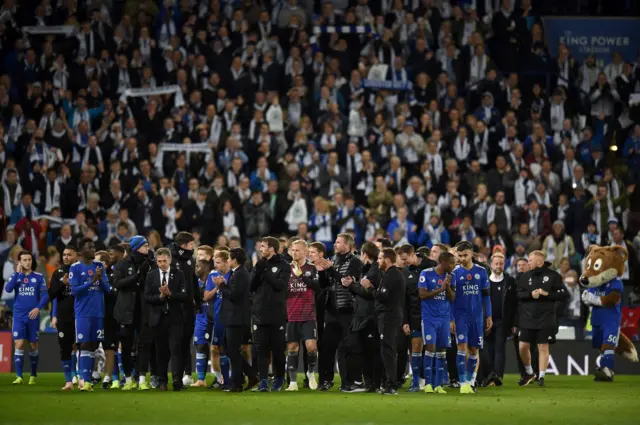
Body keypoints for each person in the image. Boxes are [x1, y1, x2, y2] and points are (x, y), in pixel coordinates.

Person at [316, 233, 363, 391]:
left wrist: (331, 270)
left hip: (347, 309)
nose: (334, 244)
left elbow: (346, 282)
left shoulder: (355, 262)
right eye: (335, 241)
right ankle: (325, 380)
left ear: (348, 246)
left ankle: (349, 381)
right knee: (327, 346)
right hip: (331, 310)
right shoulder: (333, 260)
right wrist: (322, 272)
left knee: (348, 347)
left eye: (338, 242)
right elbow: (324, 285)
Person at [517, 250, 567, 387]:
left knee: (543, 346)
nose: (528, 263)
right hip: (527, 316)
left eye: (530, 260)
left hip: (546, 316)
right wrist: (530, 294)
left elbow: (563, 294)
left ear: (539, 262)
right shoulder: (524, 276)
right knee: (522, 346)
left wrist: (546, 294)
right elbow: (518, 294)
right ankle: (529, 372)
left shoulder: (554, 276)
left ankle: (542, 377)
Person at [69, 238, 111, 391]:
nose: (93, 249)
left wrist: (100, 280)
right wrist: (91, 281)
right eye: (90, 247)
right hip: (83, 313)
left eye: (94, 246)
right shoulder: (75, 268)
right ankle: (84, 380)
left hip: (98, 312)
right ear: (81, 251)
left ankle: (87, 382)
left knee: (93, 345)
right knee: (84, 344)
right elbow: (73, 291)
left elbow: (107, 289)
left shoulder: (99, 266)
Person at [362, 247, 406, 395]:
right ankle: (389, 383)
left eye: (380, 258)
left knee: (388, 350)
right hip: (389, 316)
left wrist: (369, 288)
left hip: (388, 316)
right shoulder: (391, 274)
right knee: (387, 349)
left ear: (387, 260)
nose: (378, 261)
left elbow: (382, 296)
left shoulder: (392, 275)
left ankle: (391, 384)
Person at [112, 235, 154, 391]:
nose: (147, 248)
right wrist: (136, 276)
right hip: (126, 310)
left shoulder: (150, 264)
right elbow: (117, 284)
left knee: (144, 345)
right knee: (127, 345)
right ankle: (129, 378)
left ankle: (142, 379)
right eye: (145, 246)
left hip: (144, 310)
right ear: (136, 247)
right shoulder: (123, 264)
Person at [452, 241, 493, 394]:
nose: (462, 258)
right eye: (459, 255)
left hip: (477, 317)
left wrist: (489, 315)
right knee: (462, 347)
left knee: (474, 349)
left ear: (471, 254)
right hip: (460, 316)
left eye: (465, 255)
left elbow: (486, 296)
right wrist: (451, 318)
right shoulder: (455, 273)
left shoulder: (481, 272)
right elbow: (451, 299)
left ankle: (470, 381)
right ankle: (462, 383)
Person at [250, 236, 291, 392]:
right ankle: (263, 382)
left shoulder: (284, 266)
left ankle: (279, 380)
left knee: (278, 349)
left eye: (263, 246)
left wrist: (265, 270)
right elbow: (251, 286)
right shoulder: (259, 264)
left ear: (271, 249)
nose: (260, 249)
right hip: (259, 313)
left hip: (276, 314)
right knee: (261, 350)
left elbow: (279, 286)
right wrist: (258, 270)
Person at [144, 248, 187, 391]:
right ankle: (162, 381)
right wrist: (160, 297)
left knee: (175, 349)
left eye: (164, 261)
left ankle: (177, 381)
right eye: (159, 261)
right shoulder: (151, 275)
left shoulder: (179, 274)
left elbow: (184, 295)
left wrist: (170, 294)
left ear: (170, 260)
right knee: (160, 351)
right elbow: (147, 297)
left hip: (175, 318)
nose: (162, 264)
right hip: (158, 319)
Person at [218, 248, 258, 392]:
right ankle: (248, 376)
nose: (227, 261)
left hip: (236, 319)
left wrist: (221, 285)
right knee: (231, 350)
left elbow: (234, 296)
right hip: (235, 318)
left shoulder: (240, 274)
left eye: (228, 258)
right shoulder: (239, 273)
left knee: (232, 351)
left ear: (234, 260)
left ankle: (238, 383)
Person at [345, 242, 383, 393]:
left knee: (372, 351)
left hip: (370, 317)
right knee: (365, 351)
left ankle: (374, 383)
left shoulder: (374, 272)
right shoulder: (367, 270)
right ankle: (369, 383)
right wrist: (353, 285)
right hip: (363, 316)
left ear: (365, 254)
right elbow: (362, 290)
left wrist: (352, 286)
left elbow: (369, 293)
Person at [6, 251, 49, 385]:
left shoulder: (38, 277)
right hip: (19, 316)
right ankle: (19, 376)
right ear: (19, 262)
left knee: (33, 345)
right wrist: (18, 274)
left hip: (32, 316)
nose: (27, 262)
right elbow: (8, 289)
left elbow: (45, 296)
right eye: (24, 260)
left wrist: (37, 308)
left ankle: (33, 375)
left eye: (29, 259)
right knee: (18, 343)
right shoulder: (15, 276)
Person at [284, 240, 320, 391]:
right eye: (292, 250)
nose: (294, 253)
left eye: (297, 250)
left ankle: (310, 372)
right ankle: (292, 382)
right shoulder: (286, 269)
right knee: (292, 347)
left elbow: (318, 286)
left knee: (311, 347)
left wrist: (302, 277)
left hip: (308, 314)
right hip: (291, 314)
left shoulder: (313, 268)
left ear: (305, 252)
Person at [396, 244, 433, 392]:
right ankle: (416, 381)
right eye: (401, 260)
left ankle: (430, 381)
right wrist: (405, 321)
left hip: (432, 315)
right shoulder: (405, 272)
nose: (403, 262)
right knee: (415, 347)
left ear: (412, 254)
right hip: (414, 316)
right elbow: (403, 299)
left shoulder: (431, 266)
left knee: (431, 348)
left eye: (405, 259)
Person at [418, 251, 456, 394]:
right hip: (429, 318)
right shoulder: (426, 274)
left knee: (442, 350)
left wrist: (446, 286)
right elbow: (422, 295)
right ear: (443, 262)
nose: (454, 265)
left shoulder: (450, 277)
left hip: (444, 318)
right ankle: (428, 384)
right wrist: (439, 289)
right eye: (452, 262)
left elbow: (452, 298)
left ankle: (438, 385)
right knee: (430, 347)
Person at [168, 232, 202, 387]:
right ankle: (171, 377)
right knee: (174, 343)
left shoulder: (190, 260)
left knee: (184, 342)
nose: (193, 247)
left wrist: (199, 302)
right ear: (184, 245)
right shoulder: (170, 259)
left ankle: (182, 376)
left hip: (189, 308)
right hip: (173, 308)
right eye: (191, 244)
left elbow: (193, 283)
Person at [481, 252, 517, 387]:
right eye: (496, 263)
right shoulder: (484, 281)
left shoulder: (510, 281)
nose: (499, 266)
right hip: (486, 321)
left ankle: (498, 376)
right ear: (491, 265)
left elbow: (513, 304)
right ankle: (489, 376)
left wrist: (513, 323)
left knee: (499, 348)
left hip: (503, 321)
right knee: (488, 349)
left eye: (501, 263)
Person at [49, 246, 78, 390]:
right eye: (64, 254)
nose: (66, 257)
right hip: (64, 316)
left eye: (69, 255)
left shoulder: (80, 271)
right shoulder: (57, 273)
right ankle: (69, 381)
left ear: (76, 256)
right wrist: (63, 284)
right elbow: (52, 294)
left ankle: (82, 378)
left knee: (82, 347)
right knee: (65, 348)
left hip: (80, 315)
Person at [206, 250, 233, 389]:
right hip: (218, 317)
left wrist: (223, 285)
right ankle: (222, 380)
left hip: (232, 317)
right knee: (217, 348)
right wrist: (217, 287)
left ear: (226, 261)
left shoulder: (234, 274)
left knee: (234, 349)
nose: (215, 266)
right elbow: (206, 297)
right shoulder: (212, 275)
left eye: (218, 263)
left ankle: (236, 378)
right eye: (214, 263)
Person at [192, 259, 213, 387]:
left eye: (198, 266)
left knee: (218, 348)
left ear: (205, 268)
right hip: (200, 317)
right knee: (200, 346)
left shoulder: (213, 280)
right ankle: (201, 379)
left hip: (213, 317)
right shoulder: (195, 283)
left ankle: (221, 378)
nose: (196, 269)